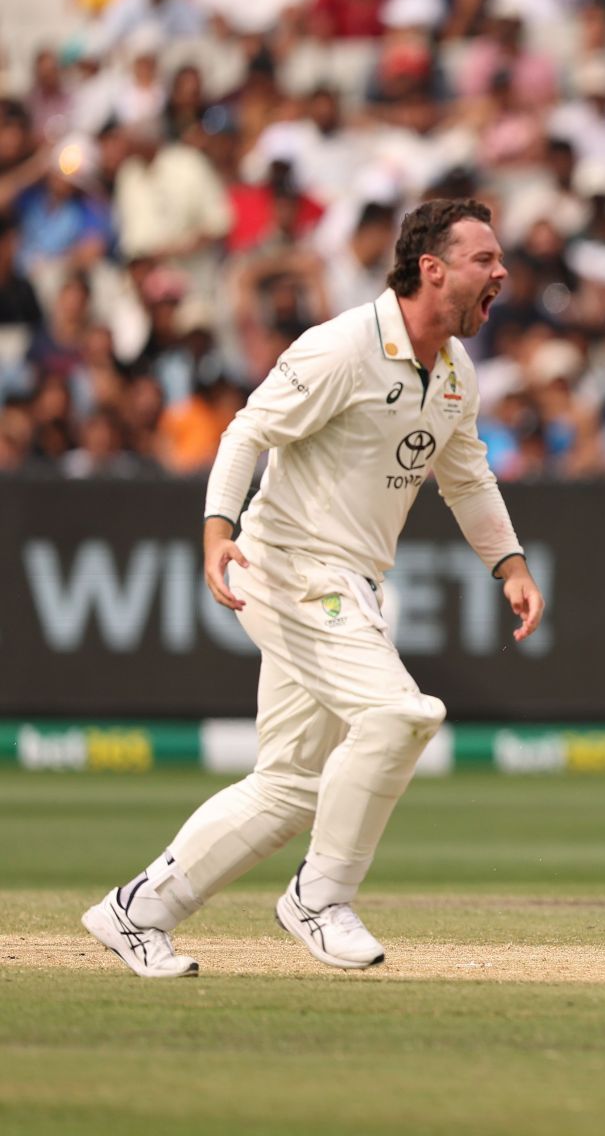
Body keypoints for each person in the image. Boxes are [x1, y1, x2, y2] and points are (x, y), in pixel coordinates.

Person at [82, 199, 546, 978]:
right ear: (431, 269)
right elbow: (247, 431)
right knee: (400, 715)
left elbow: (466, 477)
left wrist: (511, 564)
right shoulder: (342, 347)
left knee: (291, 786)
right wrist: (217, 528)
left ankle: (135, 912)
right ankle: (318, 898)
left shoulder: (457, 372)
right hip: (291, 567)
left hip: (351, 580)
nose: (502, 272)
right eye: (484, 260)